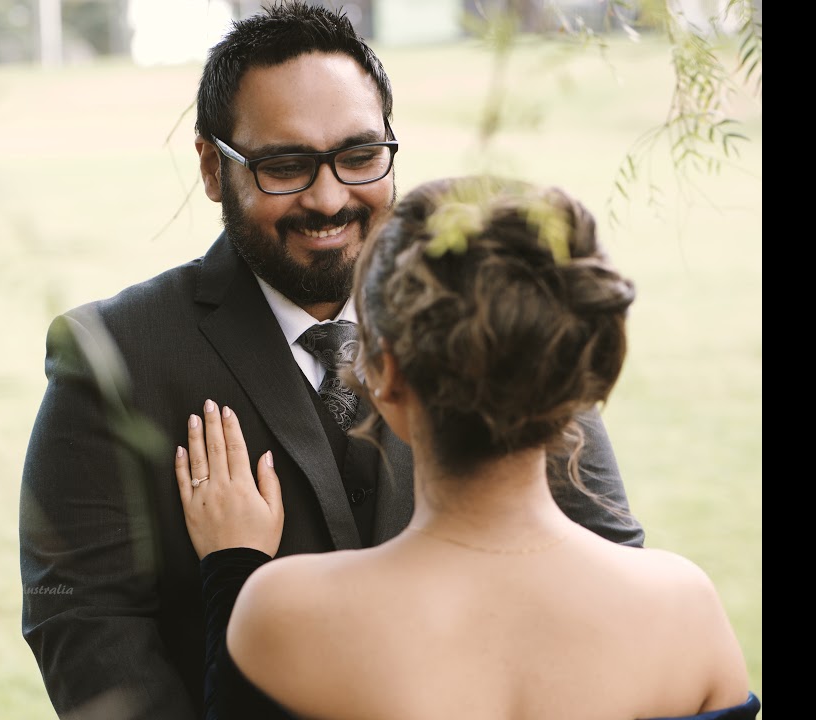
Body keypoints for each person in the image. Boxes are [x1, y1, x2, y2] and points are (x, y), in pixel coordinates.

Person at [19, 3, 644, 719]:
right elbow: (83, 620)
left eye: (359, 156)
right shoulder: (111, 355)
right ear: (213, 168)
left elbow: (604, 556)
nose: (328, 198)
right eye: (285, 166)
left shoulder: (495, 310)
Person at [175, 174, 760, 720]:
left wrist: (233, 566)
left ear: (386, 376)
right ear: (573, 376)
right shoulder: (686, 611)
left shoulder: (282, 613)